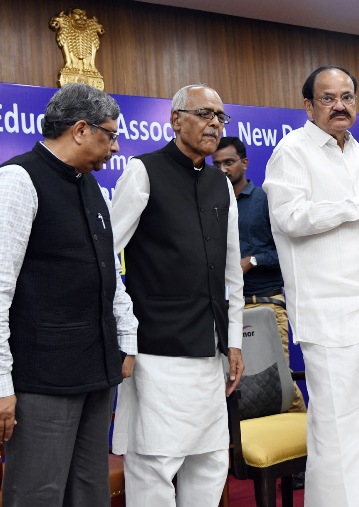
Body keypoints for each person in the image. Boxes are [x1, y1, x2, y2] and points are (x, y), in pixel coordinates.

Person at [0, 83, 137, 507]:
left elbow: (108, 271)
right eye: (109, 135)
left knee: (90, 492)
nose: (115, 147)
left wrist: (126, 341)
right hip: (42, 380)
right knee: (38, 495)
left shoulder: (89, 185)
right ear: (80, 130)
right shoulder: (17, 181)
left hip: (95, 370)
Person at [263, 65, 359, 507]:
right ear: (309, 106)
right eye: (328, 98)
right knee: (339, 431)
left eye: (347, 97)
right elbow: (290, 219)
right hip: (330, 319)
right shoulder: (291, 152)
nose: (340, 106)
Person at [109, 84, 244, 507]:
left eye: (220, 117)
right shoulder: (143, 171)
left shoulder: (220, 183)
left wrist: (235, 339)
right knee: (155, 466)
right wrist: (125, 334)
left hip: (211, 352)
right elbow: (105, 255)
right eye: (204, 114)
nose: (214, 124)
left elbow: (231, 272)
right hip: (156, 350)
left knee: (210, 464)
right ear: (176, 120)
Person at [213, 136, 306, 413]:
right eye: (216, 164)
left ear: (244, 163)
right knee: (239, 386)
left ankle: (311, 445)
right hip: (229, 308)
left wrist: (252, 260)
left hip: (266, 303)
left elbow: (290, 251)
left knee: (278, 382)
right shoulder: (214, 204)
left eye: (228, 162)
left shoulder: (265, 200)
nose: (222, 170)